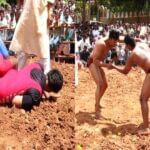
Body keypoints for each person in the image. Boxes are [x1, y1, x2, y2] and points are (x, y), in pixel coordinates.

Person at [111, 35, 150, 135]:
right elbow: (138, 39)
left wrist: (114, 66)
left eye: (126, 45)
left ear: (128, 45)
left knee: (143, 99)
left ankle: (146, 128)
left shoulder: (132, 55)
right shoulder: (142, 44)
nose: (125, 48)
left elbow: (125, 71)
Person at [9, 0, 55, 74]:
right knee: (22, 47)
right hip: (27, 16)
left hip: (41, 17)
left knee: (43, 48)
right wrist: (18, 10)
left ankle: (46, 76)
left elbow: (50, 2)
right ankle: (19, 75)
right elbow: (19, 2)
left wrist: (50, 13)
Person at [87, 29, 120, 119]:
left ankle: (97, 102)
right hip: (92, 62)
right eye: (114, 41)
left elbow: (123, 39)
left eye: (116, 41)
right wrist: (106, 65)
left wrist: (136, 40)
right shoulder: (101, 44)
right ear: (110, 39)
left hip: (99, 62)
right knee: (100, 84)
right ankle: (97, 111)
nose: (115, 44)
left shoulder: (113, 41)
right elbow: (95, 61)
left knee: (105, 85)